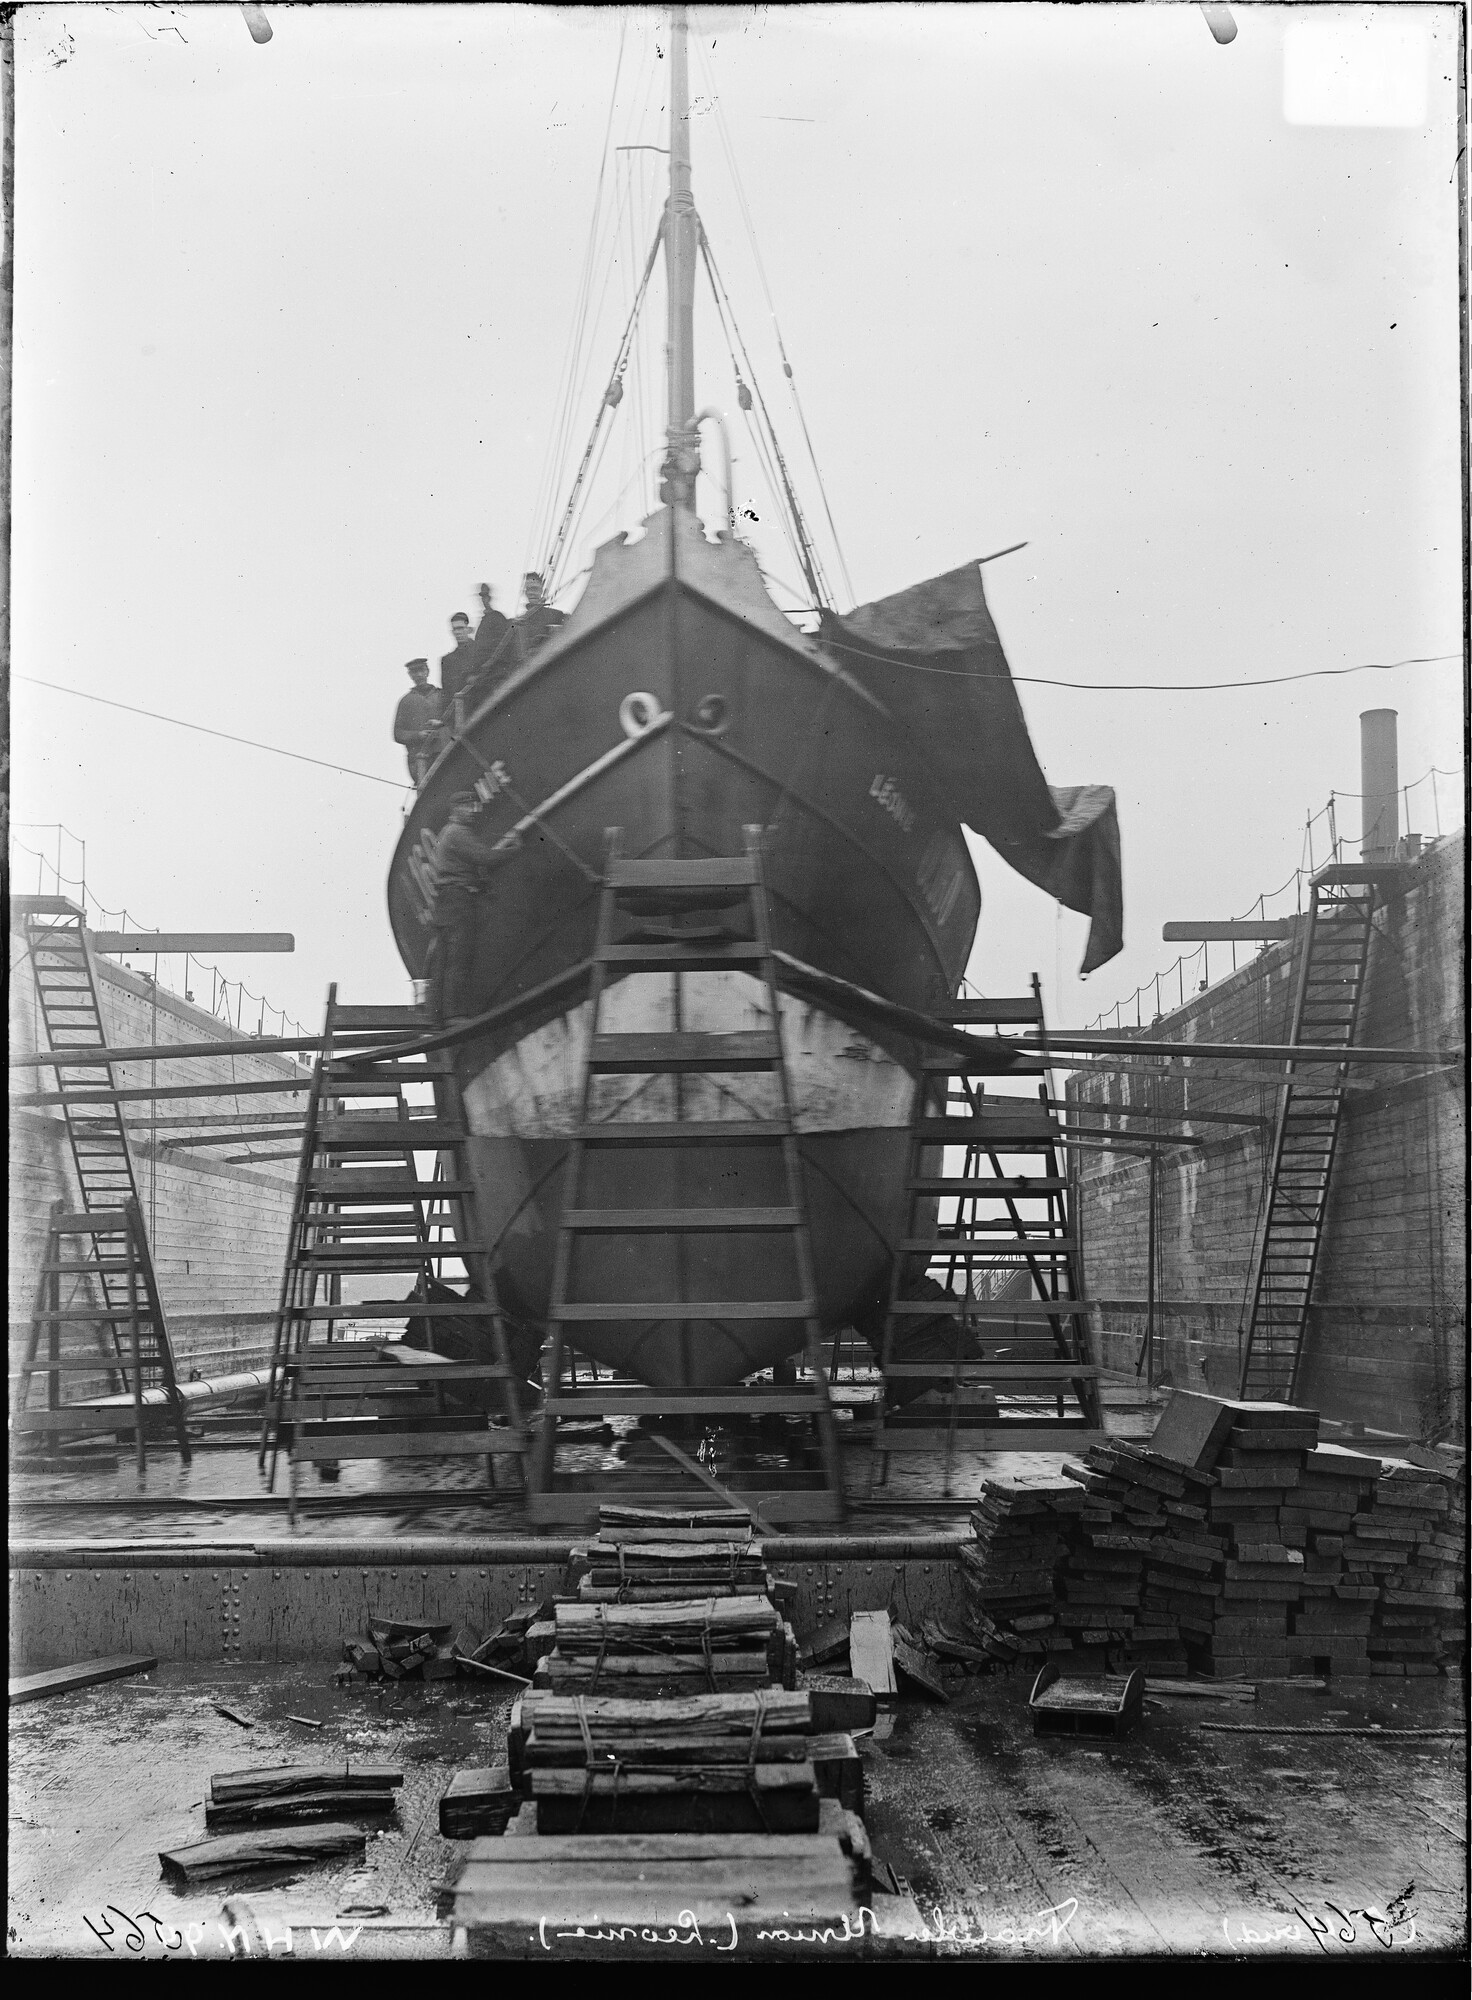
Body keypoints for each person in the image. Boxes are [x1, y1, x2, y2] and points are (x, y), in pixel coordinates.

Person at [424, 793, 522, 1023]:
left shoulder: (447, 833)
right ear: (455, 809)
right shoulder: (457, 832)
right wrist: (514, 849)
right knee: (460, 956)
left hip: (446, 901)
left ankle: (436, 1017)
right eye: (466, 807)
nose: (472, 811)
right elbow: (484, 857)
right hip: (458, 900)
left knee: (444, 960)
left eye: (473, 806)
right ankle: (455, 1014)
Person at [393, 659, 445, 787]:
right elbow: (397, 733)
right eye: (414, 672)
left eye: (421, 670)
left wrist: (441, 724)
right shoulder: (405, 701)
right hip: (419, 758)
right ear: (410, 675)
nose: (419, 675)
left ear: (427, 672)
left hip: (442, 752)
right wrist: (418, 735)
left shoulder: (442, 695)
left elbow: (454, 720)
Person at [514, 571, 566, 664]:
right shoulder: (518, 622)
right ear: (525, 592)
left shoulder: (556, 615)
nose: (531, 593)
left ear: (541, 590)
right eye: (528, 589)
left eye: (535, 589)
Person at [439, 611, 477, 706]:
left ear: (468, 629)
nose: (458, 632)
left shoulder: (480, 651)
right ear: (452, 632)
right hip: (460, 711)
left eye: (461, 628)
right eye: (455, 629)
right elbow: (446, 694)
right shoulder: (447, 660)